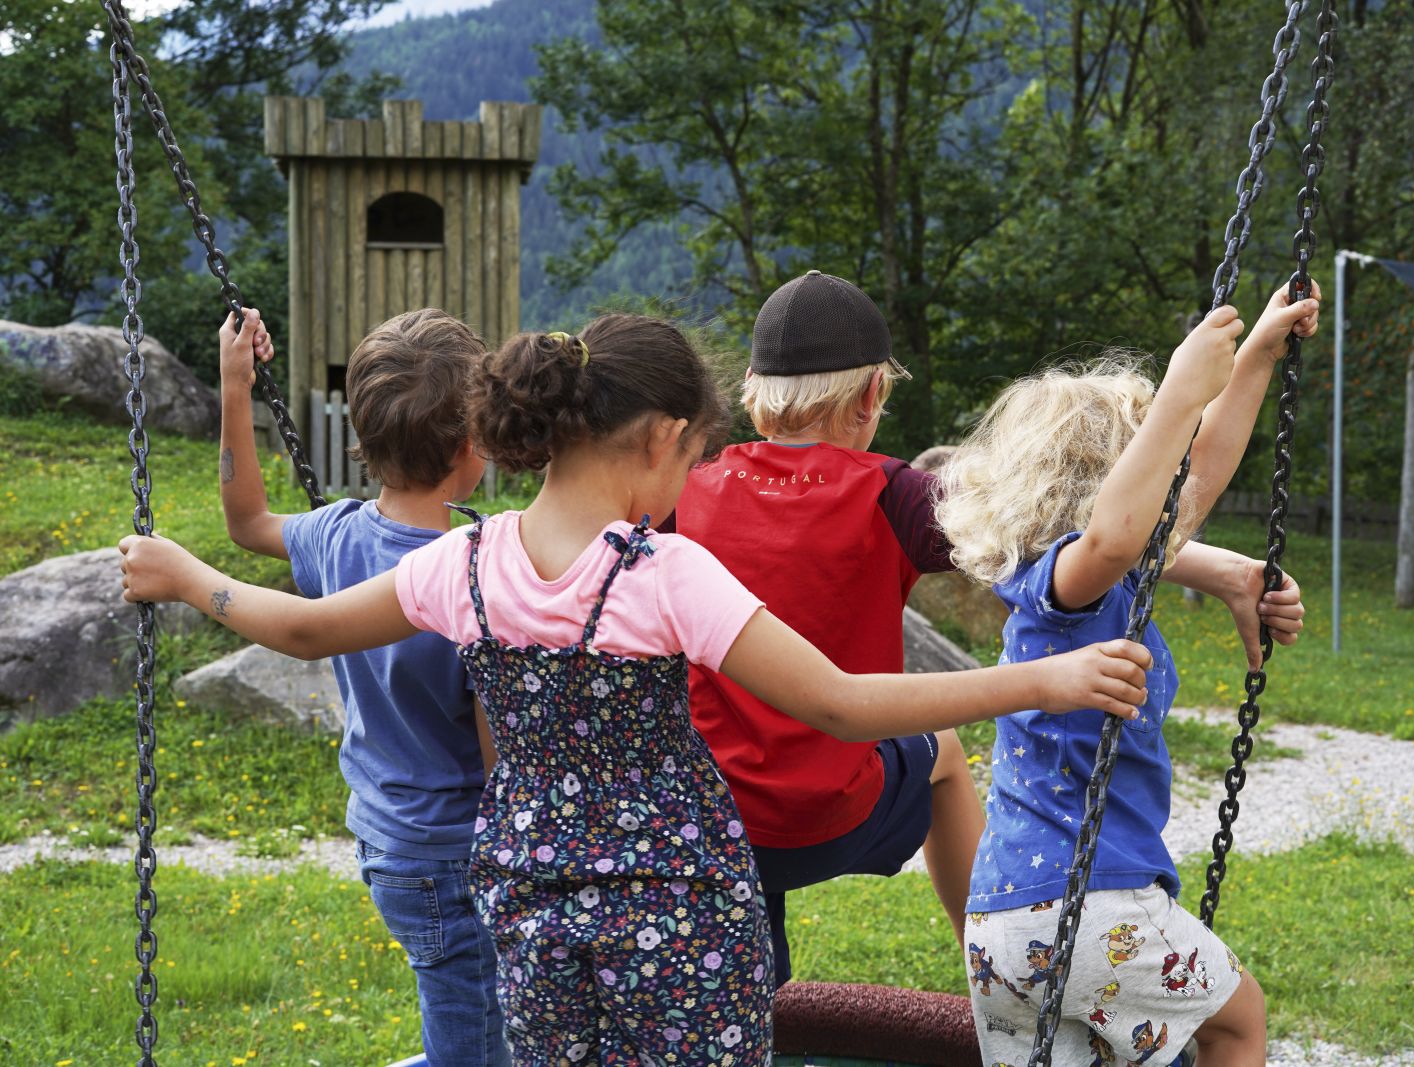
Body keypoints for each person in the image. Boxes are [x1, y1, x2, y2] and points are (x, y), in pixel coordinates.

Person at [121, 313, 1156, 1067]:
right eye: (693, 454)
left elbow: (302, 627)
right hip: (679, 903)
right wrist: (1039, 675)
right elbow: (839, 702)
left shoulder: (464, 564)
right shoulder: (663, 575)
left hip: (528, 899)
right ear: (661, 436)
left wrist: (186, 577)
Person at [935, 288, 1318, 1067]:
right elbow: (1114, 532)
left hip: (1001, 926)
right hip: (1089, 908)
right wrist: (1180, 391)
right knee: (1237, 1021)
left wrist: (1253, 361)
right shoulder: (1072, 590)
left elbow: (1200, 476)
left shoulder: (1083, 587)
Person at [668, 270, 981, 987]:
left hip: (710, 819)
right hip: (832, 815)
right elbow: (1029, 527)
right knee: (948, 753)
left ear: (751, 389)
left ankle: (760, 988)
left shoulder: (689, 489)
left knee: (730, 750)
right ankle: (993, 970)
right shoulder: (893, 493)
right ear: (873, 394)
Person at [214, 307, 507, 1065]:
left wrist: (234, 384)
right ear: (473, 443)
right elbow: (501, 763)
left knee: (481, 1029)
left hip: (386, 840)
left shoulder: (335, 533)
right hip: (455, 855)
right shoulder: (473, 574)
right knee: (474, 1048)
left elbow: (246, 519)